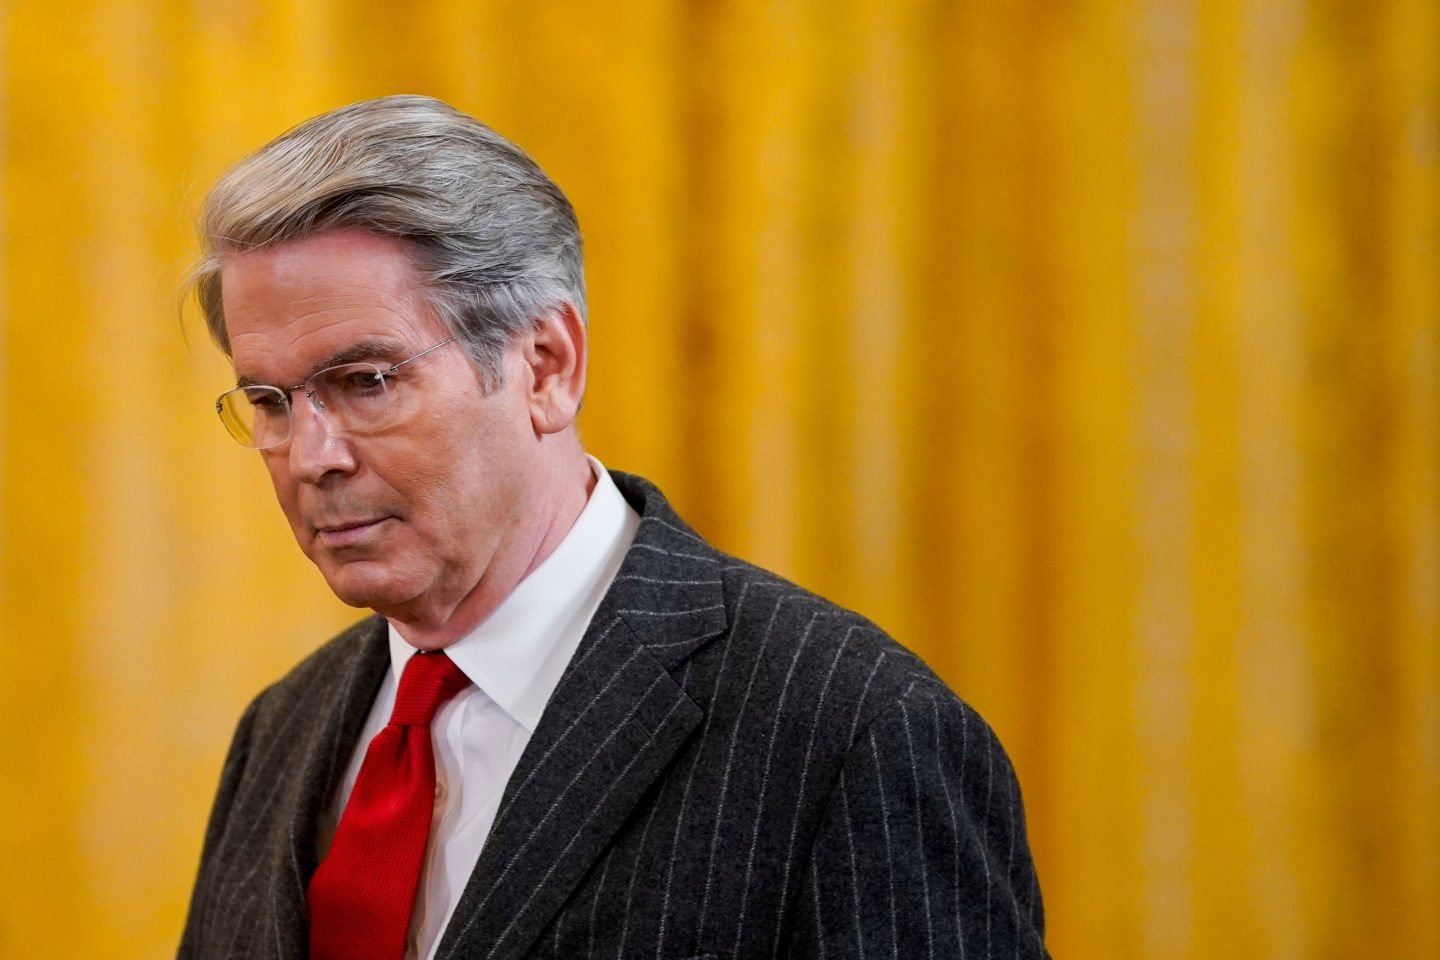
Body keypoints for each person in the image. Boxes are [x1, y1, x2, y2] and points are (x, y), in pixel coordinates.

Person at [177, 94, 1048, 960]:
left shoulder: (854, 731)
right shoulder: (281, 731)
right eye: (269, 401)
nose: (309, 456)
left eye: (365, 381)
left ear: (546, 366)